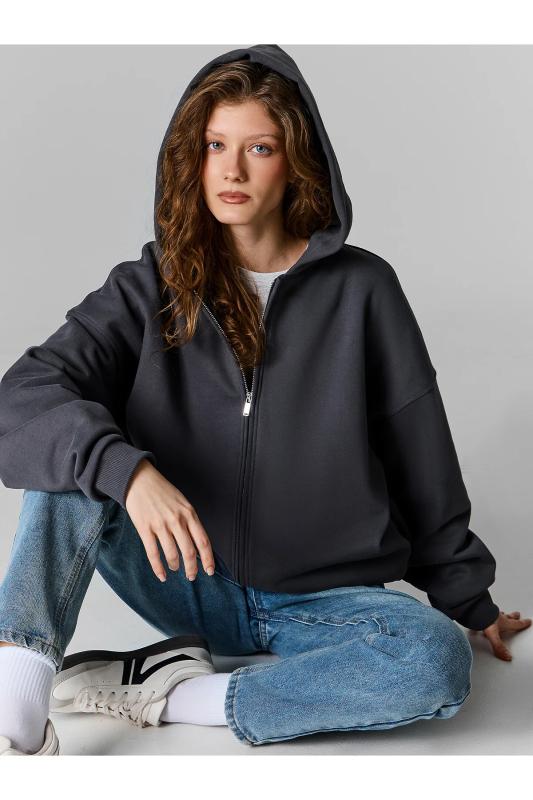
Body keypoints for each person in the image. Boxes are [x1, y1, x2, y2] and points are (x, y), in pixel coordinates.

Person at [0, 44, 529, 756]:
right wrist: (130, 473)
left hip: (319, 602)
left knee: (434, 660)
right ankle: (19, 682)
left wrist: (470, 601)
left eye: (259, 147)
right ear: (191, 158)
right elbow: (20, 398)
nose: (232, 170)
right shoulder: (149, 286)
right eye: (215, 145)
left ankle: (172, 693)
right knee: (70, 450)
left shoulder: (362, 291)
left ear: (296, 162)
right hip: (182, 575)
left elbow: (420, 455)